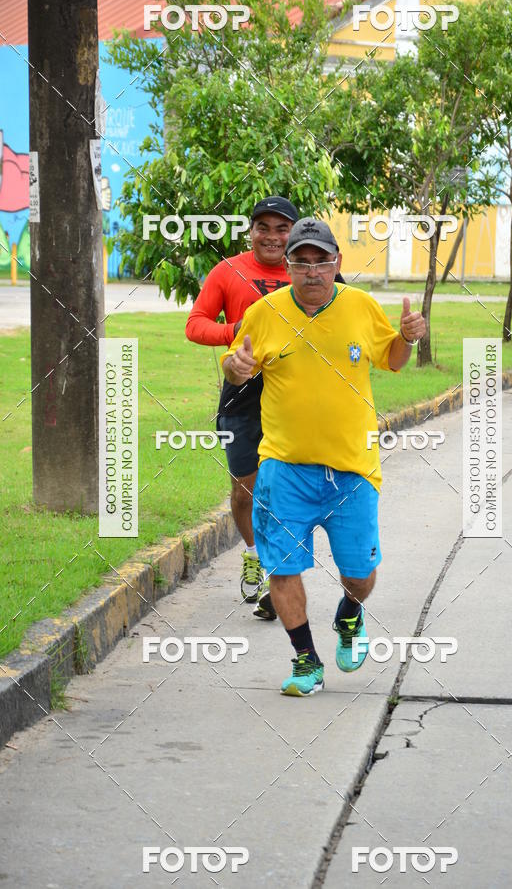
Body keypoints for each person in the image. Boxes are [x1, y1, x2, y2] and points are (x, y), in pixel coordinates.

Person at [222, 218, 426, 696]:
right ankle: (306, 660)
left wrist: (408, 338)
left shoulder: (360, 306)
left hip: (352, 469)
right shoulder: (265, 312)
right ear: (288, 265)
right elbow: (236, 369)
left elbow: (392, 359)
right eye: (301, 261)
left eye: (321, 261)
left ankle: (350, 612)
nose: (312, 271)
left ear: (337, 263)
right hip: (283, 467)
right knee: (284, 567)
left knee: (360, 572)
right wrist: (236, 367)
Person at [186, 197, 345, 620]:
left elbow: (344, 319)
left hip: (298, 395)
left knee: (283, 490)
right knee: (245, 489)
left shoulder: (313, 270)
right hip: (243, 393)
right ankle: (255, 555)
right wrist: (235, 331)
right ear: (250, 230)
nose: (272, 237)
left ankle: (279, 579)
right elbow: (195, 324)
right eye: (264, 227)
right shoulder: (228, 271)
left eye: (281, 228)